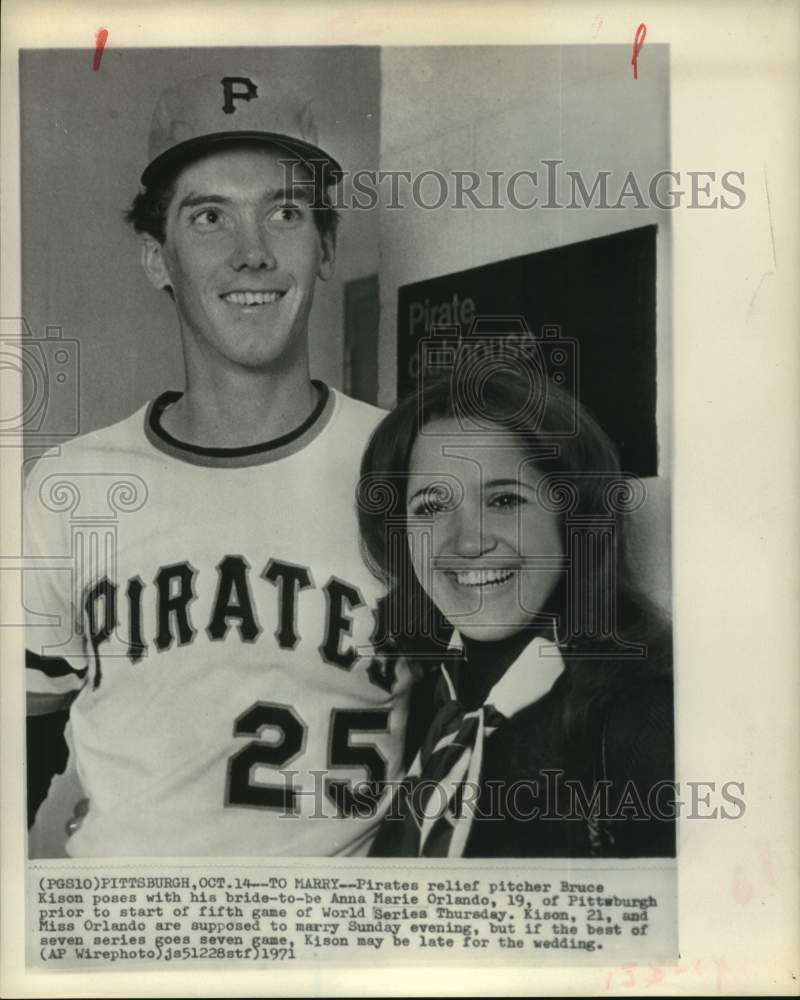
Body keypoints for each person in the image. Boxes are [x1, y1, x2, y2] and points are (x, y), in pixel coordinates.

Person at [24, 70, 413, 857]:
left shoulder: (409, 468)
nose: (253, 254)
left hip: (334, 956)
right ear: (155, 258)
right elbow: (25, 733)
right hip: (123, 945)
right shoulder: (72, 487)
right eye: (209, 218)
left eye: (287, 213)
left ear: (327, 246)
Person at [357, 364, 674, 858]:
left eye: (505, 499)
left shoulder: (644, 722)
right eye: (430, 506)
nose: (467, 542)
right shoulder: (422, 699)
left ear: (574, 517)